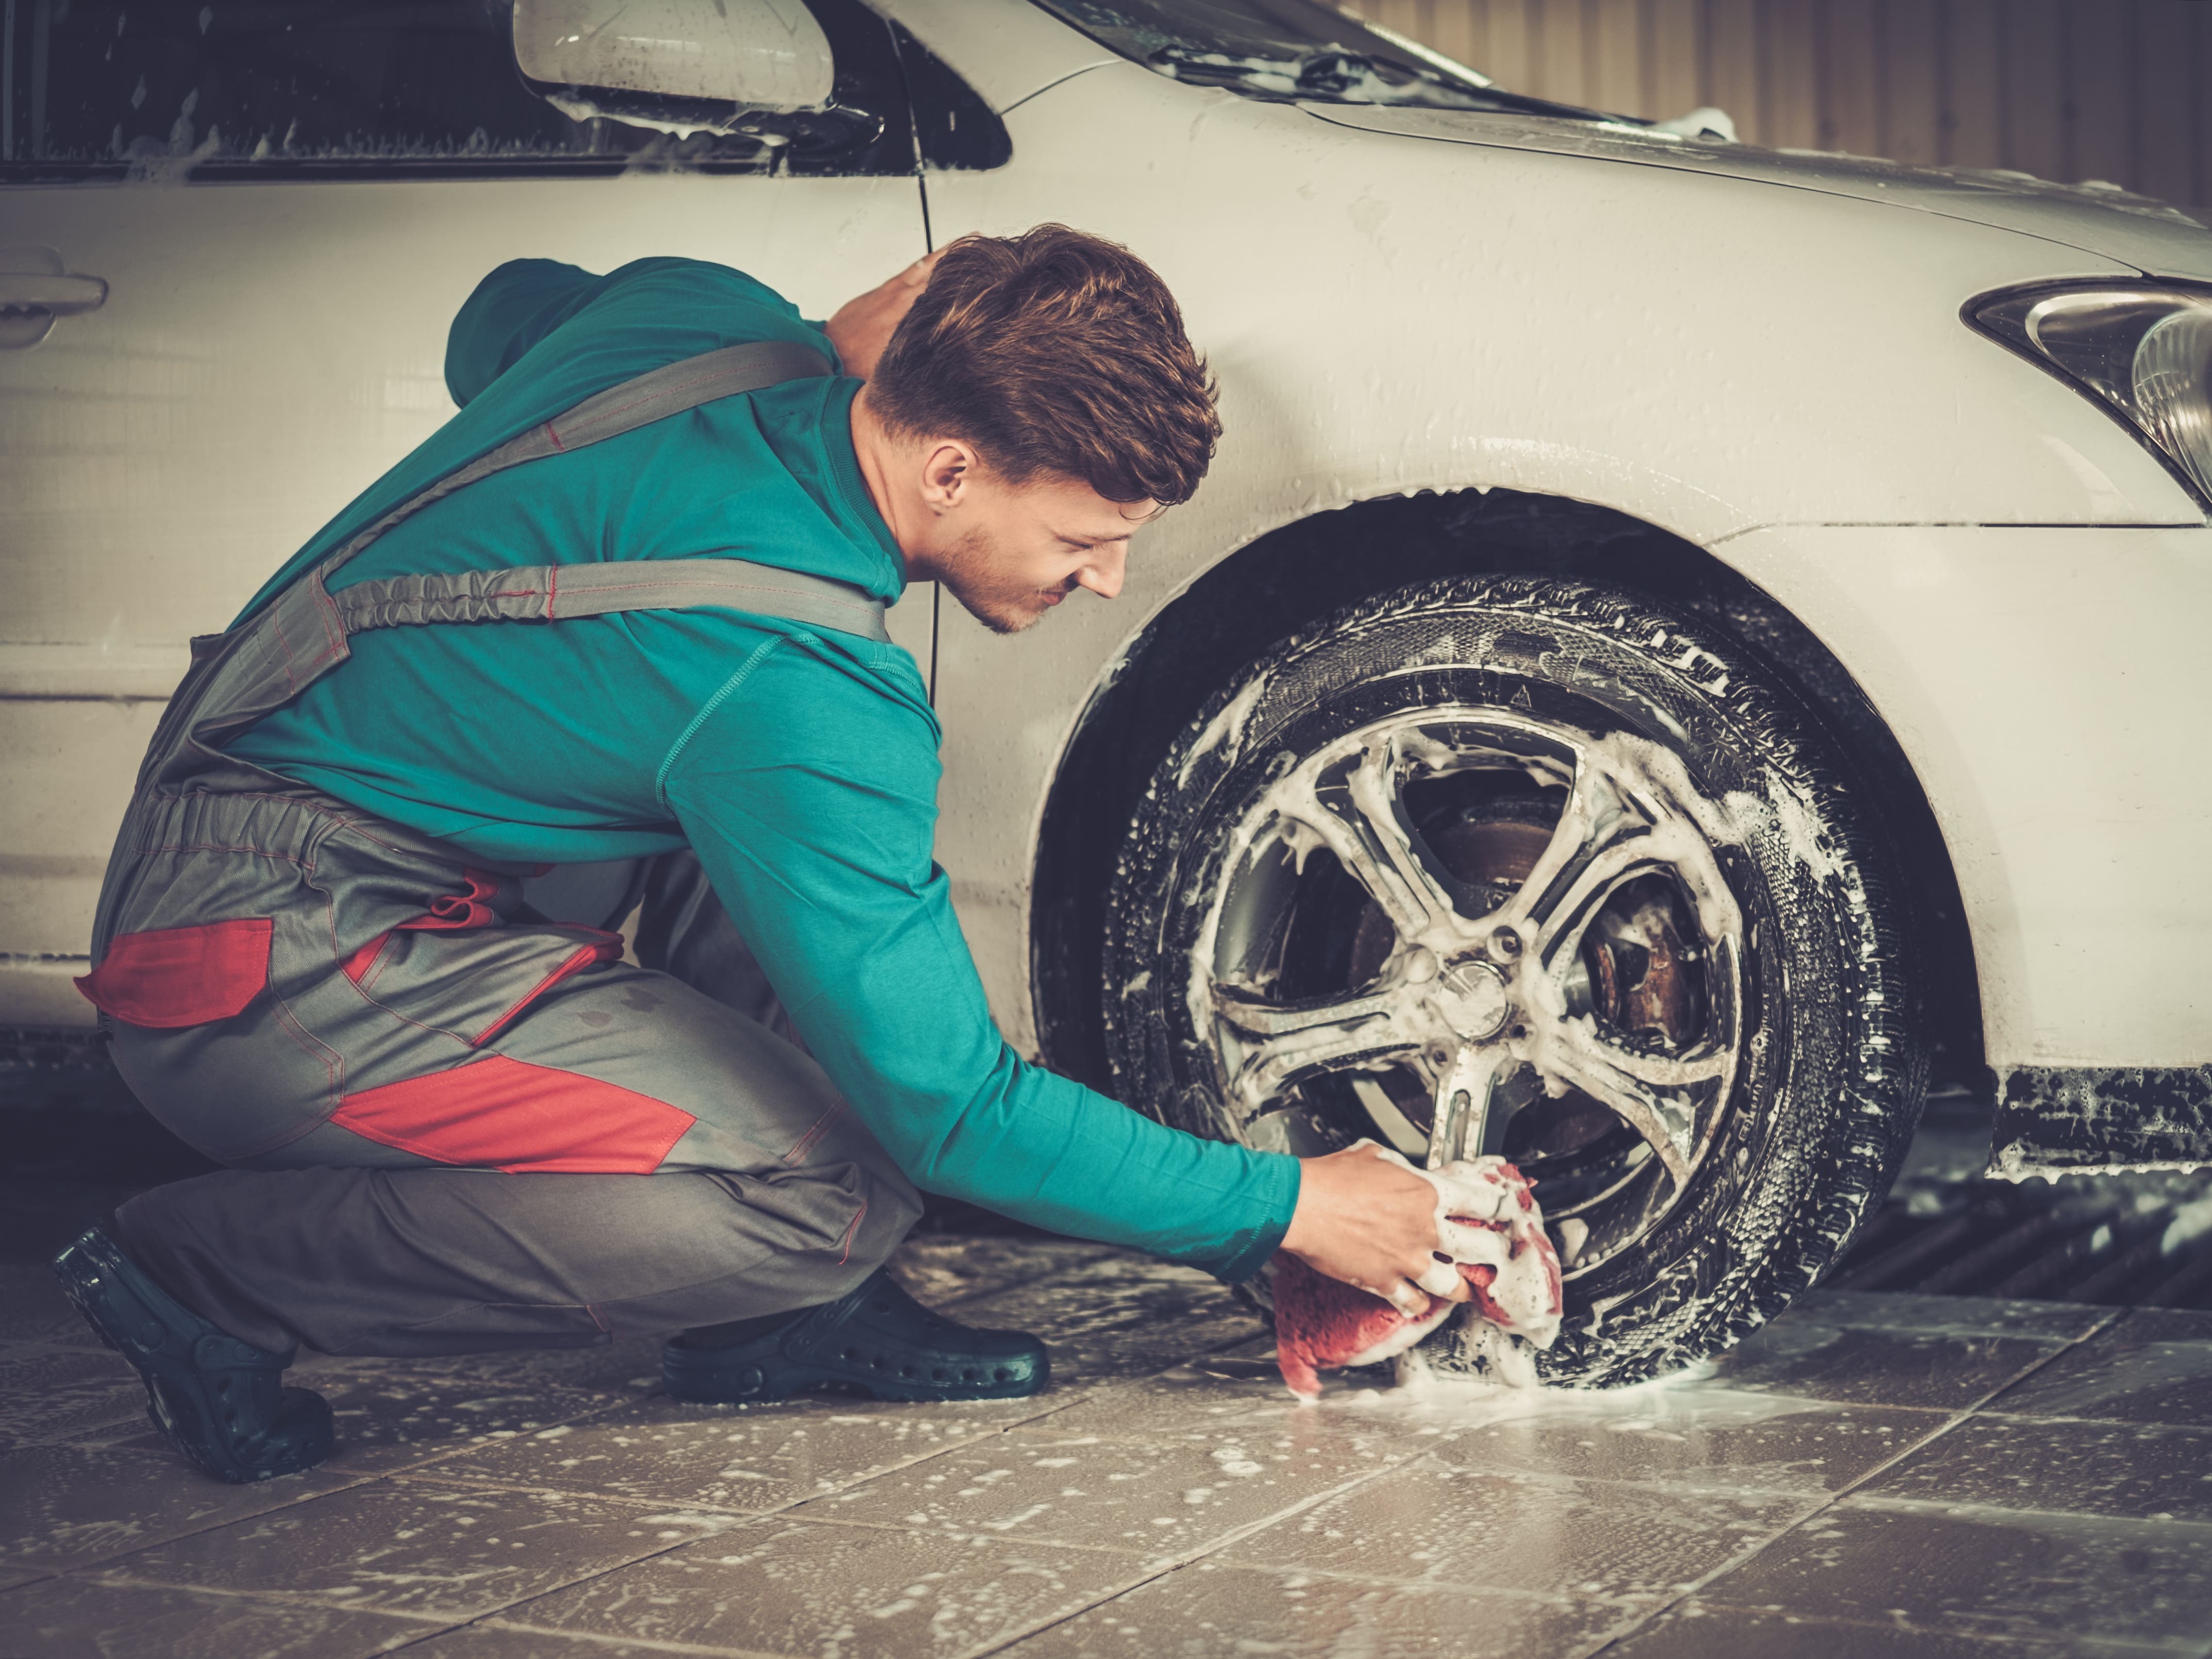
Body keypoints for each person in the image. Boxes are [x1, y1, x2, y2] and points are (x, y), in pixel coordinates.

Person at [54, 225, 1477, 1484]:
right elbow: (954, 1109)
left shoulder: (694, 312)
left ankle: (760, 1324)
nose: (1099, 577)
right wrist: (1286, 1203)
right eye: (1081, 538)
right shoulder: (800, 690)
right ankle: (212, 1276)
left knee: (754, 857)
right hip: (257, 964)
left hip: (251, 815)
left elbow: (500, 309)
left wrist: (793, 342)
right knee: (827, 1196)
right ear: (949, 463)